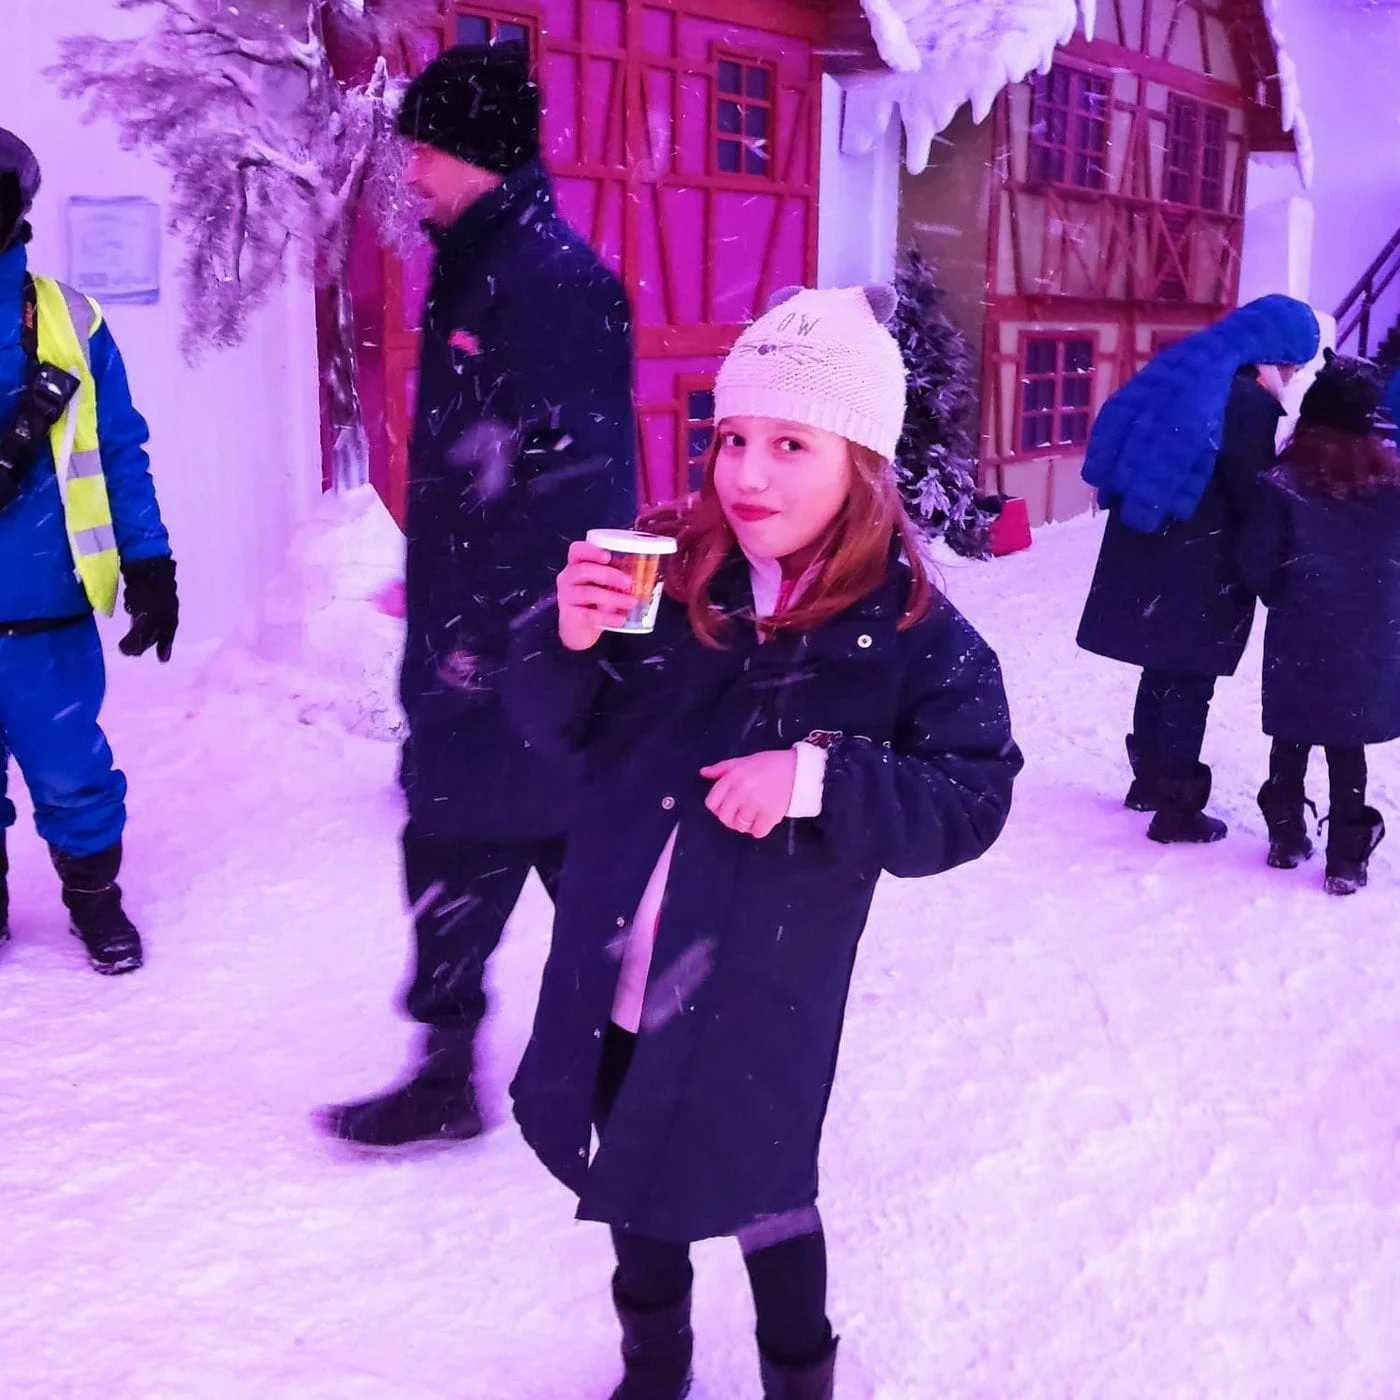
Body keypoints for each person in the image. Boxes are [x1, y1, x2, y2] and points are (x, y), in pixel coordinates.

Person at [505, 286, 1022, 1397]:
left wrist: (820, 776)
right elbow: (556, 730)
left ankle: (799, 1379)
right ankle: (654, 1370)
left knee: (770, 1202)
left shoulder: (914, 638)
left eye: (790, 443)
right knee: (631, 1189)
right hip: (614, 974)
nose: (745, 474)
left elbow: (971, 795)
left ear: (862, 463)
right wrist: (563, 638)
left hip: (760, 995)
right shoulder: (667, 573)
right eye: (731, 437)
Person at [318, 43, 636, 1148]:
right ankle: (483, 1066)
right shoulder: (484, 260)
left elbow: (571, 481)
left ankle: (625, 1063)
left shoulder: (543, 281)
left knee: (520, 848)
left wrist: (504, 630)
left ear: (481, 152)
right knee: (504, 846)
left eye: (424, 146)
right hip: (483, 632)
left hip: (517, 651)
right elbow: (485, 467)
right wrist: (441, 579)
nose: (407, 167)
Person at [0, 128, 178, 973]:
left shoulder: (72, 318)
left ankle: (94, 902)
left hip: (47, 608)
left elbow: (117, 450)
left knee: (74, 773)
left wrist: (149, 563)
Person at [1076, 295, 1319, 843]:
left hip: (1155, 547)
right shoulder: (1246, 404)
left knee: (1158, 669)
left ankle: (1148, 782)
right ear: (1271, 354)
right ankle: (1177, 810)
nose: (1291, 376)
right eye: (1291, 365)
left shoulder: (1188, 374)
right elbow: (1251, 497)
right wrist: (1268, 568)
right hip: (1202, 561)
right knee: (1190, 682)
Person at [1238, 349, 1399, 894]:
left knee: (1292, 731)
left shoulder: (1282, 483)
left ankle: (1286, 839)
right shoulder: (1391, 490)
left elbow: (1257, 560)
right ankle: (1346, 862)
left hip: (1300, 630)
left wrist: (1284, 594)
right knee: (1346, 744)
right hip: (1366, 638)